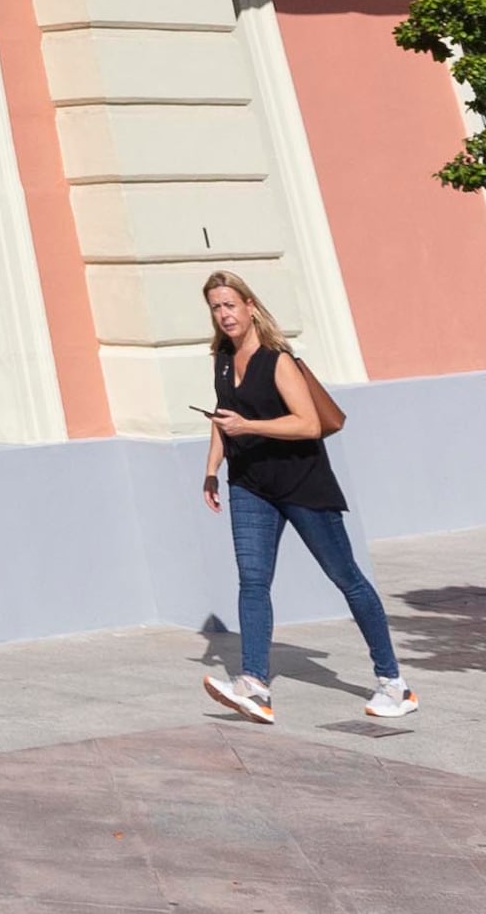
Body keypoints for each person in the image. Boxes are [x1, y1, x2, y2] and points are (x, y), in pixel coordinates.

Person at [196, 269, 414, 724]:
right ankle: (254, 683)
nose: (224, 314)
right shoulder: (220, 359)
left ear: (250, 306)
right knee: (252, 582)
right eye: (216, 307)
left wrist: (249, 427)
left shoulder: (278, 360)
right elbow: (223, 419)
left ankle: (394, 682)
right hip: (250, 485)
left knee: (346, 578)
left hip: (302, 483)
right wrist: (212, 469)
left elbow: (309, 424)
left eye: (230, 305)